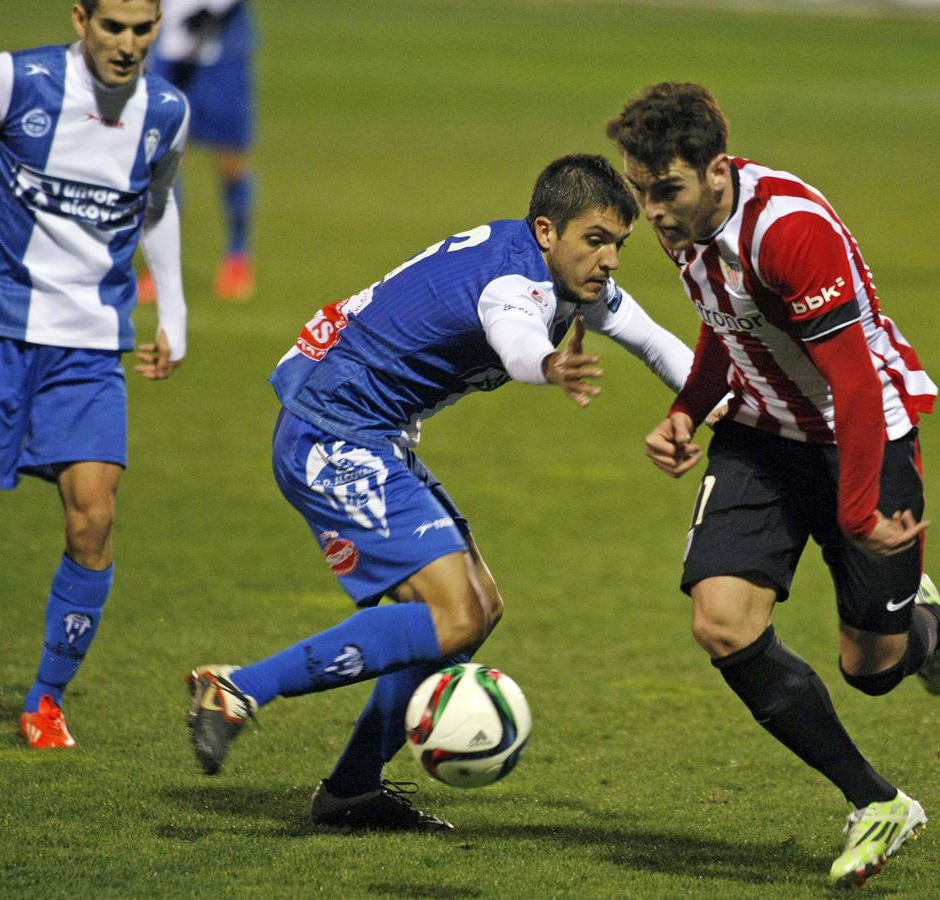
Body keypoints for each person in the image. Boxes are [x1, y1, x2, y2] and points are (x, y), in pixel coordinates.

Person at [186, 153, 693, 830]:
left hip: (368, 431)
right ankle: (237, 688)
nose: (610, 260)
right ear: (547, 231)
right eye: (595, 240)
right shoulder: (516, 284)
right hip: (330, 432)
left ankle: (352, 791)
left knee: (478, 611)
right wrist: (548, 364)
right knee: (452, 616)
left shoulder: (561, 277)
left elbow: (657, 343)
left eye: (618, 245)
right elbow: (514, 338)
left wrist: (734, 410)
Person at [605, 83, 940, 888]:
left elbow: (857, 387)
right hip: (761, 436)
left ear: (717, 170)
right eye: (640, 190)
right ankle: (878, 803)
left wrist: (858, 510)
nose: (653, 212)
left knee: (871, 669)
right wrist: (689, 409)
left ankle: (927, 630)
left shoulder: (789, 231)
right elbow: (725, 320)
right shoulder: (686, 224)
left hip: (861, 439)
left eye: (666, 191)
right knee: (722, 624)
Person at [0, 0, 188, 750]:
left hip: (88, 349)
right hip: (1, 332)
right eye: (114, 26)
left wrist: (172, 309)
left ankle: (46, 699)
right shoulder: (17, 82)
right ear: (81, 19)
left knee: (95, 516)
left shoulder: (165, 110)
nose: (129, 44)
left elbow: (158, 206)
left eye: (144, 29)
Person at [140, 0, 256, 301]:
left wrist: (216, 10)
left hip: (221, 52)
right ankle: (161, 270)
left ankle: (238, 256)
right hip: (169, 54)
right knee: (166, 162)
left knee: (231, 161)